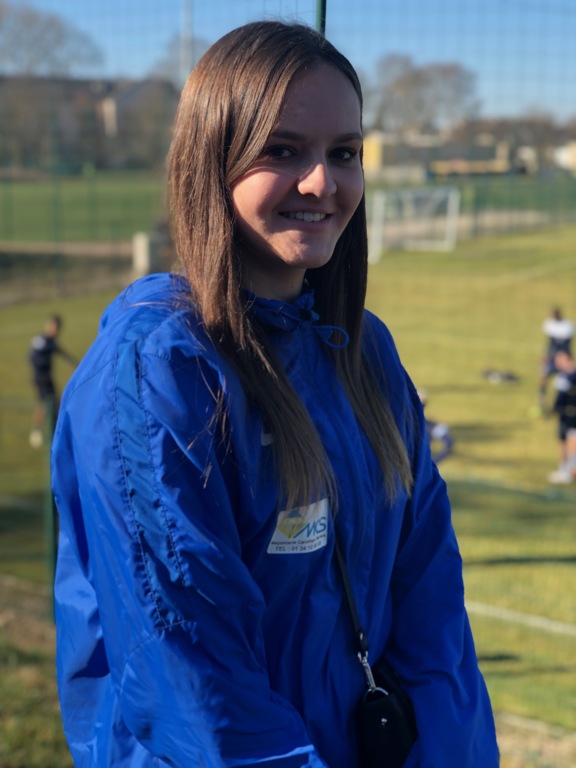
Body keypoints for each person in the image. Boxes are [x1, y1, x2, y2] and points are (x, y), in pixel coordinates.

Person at [51, 21, 499, 768]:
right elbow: (197, 689)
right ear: (213, 160)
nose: (323, 182)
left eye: (344, 152)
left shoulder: (365, 351)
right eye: (282, 151)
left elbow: (432, 605)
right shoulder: (159, 372)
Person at [28, 314, 76, 447]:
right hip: (40, 378)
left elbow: (63, 353)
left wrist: (78, 364)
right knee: (46, 404)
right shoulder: (41, 340)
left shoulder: (51, 342)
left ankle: (53, 431)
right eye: (53, 326)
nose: (54, 330)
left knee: (53, 403)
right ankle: (38, 431)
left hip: (48, 377)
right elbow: (32, 357)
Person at [547, 350, 576, 484]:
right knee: (563, 440)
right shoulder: (562, 376)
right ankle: (564, 469)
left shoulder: (570, 377)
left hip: (572, 416)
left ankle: (570, 471)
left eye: (560, 360)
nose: (557, 363)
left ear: (568, 359)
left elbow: (562, 396)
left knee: (571, 441)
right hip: (564, 414)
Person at [539, 307, 574, 413]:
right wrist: (546, 356)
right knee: (544, 377)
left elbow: (566, 344)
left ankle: (561, 404)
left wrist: (566, 359)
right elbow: (550, 343)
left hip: (563, 358)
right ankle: (542, 401)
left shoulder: (567, 326)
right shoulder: (549, 325)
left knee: (566, 381)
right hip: (553, 357)